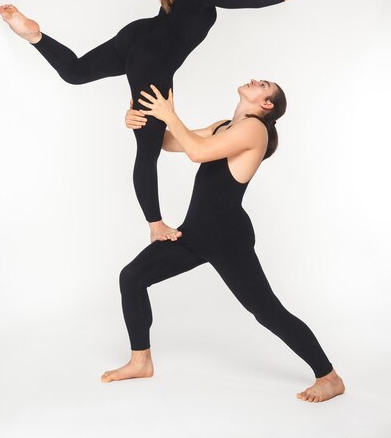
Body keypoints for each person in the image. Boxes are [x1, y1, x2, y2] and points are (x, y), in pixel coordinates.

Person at [0, 0, 339, 241]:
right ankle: (155, 224)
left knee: (76, 72)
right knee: (148, 147)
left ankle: (34, 36)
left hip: (139, 37)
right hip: (152, 62)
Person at [100, 81, 345, 403]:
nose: (256, 81)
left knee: (267, 311)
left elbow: (197, 152)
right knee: (132, 277)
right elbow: (170, 142)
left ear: (267, 104)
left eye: (264, 85)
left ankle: (329, 377)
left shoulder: (256, 129)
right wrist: (140, 122)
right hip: (195, 234)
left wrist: (170, 114)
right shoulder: (224, 126)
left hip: (227, 237)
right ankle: (140, 360)